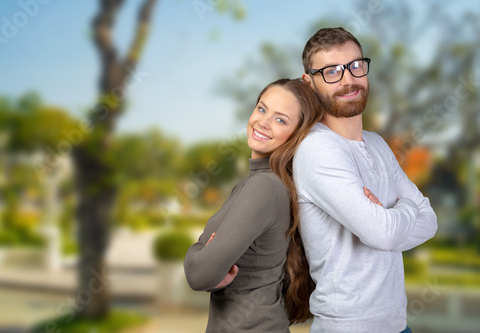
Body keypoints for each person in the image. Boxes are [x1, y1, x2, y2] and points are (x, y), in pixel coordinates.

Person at [292, 27, 438, 333]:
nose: (348, 80)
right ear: (309, 82)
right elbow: (383, 234)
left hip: (398, 325)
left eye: (355, 65)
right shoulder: (318, 149)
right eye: (331, 71)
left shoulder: (377, 144)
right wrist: (404, 211)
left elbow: (431, 222)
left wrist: (386, 220)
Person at [184, 78, 328, 332]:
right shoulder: (262, 183)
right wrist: (209, 262)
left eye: (281, 119)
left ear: (297, 134)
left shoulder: (263, 188)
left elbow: (199, 274)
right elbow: (208, 274)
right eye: (262, 109)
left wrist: (200, 252)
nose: (263, 122)